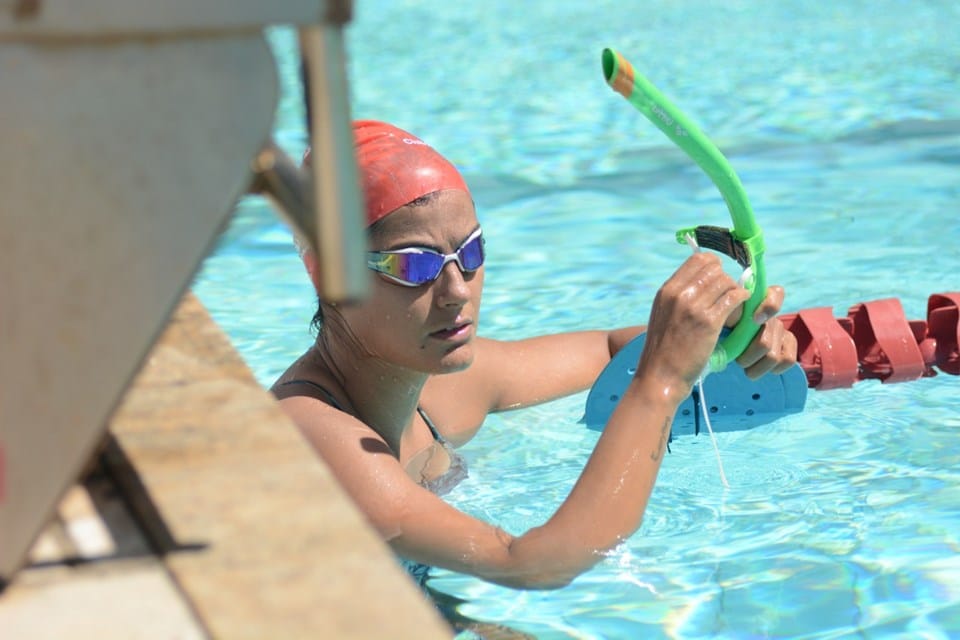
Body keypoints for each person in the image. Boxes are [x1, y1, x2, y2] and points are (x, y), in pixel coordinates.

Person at [273, 120, 797, 591]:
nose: (457, 290)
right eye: (415, 265)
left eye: (471, 252)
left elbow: (609, 349)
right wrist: (663, 380)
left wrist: (723, 333)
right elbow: (533, 565)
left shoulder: (443, 384)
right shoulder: (313, 434)